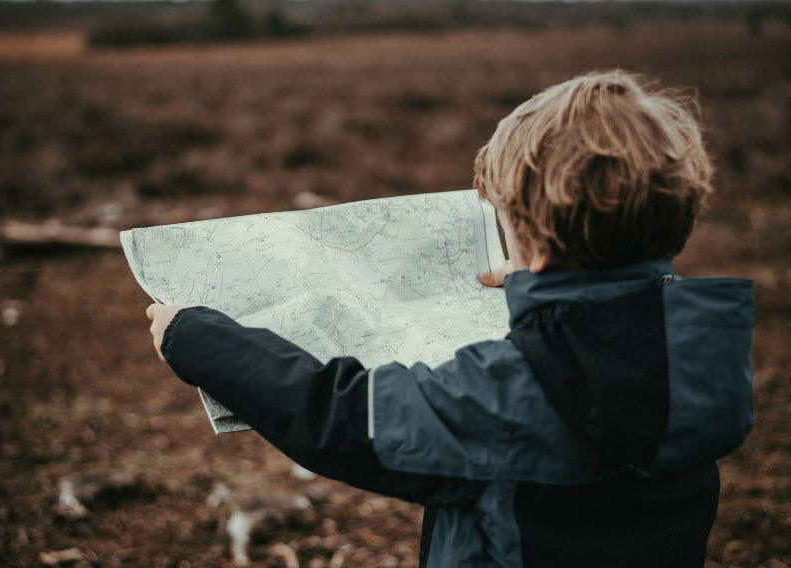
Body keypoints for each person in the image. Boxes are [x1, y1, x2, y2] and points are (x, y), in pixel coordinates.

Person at [145, 70, 754, 567]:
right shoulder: (702, 356)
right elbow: (610, 332)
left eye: (507, 226)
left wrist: (194, 335)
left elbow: (343, 418)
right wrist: (539, 286)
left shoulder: (510, 394)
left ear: (536, 244)